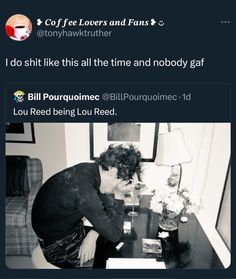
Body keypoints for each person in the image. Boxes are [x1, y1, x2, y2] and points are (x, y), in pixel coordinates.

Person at [31, 144, 142, 268]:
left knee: (116, 240)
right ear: (113, 170)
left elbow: (105, 208)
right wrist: (119, 196)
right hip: (56, 245)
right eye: (123, 180)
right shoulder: (84, 189)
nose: (120, 186)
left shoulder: (91, 170)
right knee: (107, 258)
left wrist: (93, 234)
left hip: (70, 229)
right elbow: (114, 234)